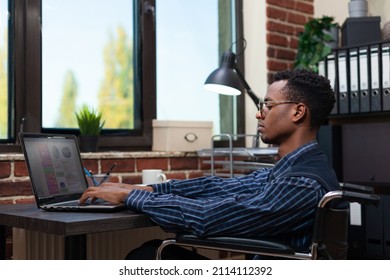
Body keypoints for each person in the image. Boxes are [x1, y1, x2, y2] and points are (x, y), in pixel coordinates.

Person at [79, 68, 339, 259]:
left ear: (298, 111)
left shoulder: (301, 183)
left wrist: (132, 197)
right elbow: (219, 187)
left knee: (147, 257)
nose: (260, 113)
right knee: (148, 251)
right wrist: (149, 190)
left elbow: (208, 218)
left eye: (268, 105)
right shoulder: (292, 170)